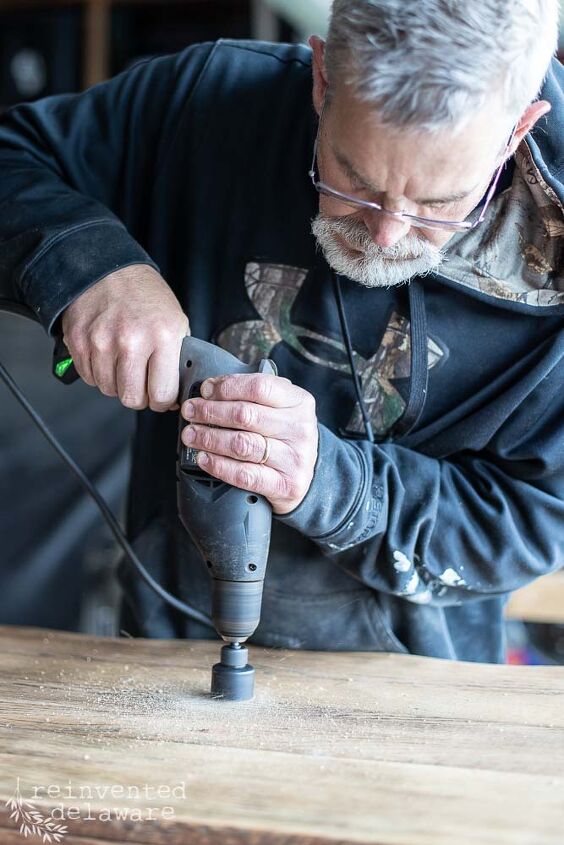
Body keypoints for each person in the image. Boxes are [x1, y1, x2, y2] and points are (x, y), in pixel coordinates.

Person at [0, 0, 563, 661]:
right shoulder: (210, 103)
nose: (387, 234)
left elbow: (534, 517)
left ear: (517, 129)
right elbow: (14, 159)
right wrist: (91, 264)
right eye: (354, 177)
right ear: (323, 77)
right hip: (164, 645)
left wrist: (335, 484)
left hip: (412, 685)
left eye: (439, 204)